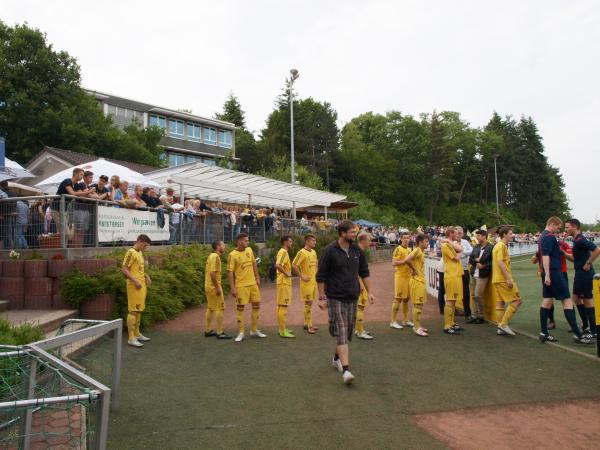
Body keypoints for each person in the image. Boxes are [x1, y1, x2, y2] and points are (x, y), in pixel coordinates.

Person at [316, 220, 373, 385]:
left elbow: (364, 272)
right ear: (342, 233)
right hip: (334, 297)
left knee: (347, 331)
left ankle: (336, 358)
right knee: (341, 330)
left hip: (352, 296)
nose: (354, 235)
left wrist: (371, 292)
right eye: (352, 232)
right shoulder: (329, 251)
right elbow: (321, 276)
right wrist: (321, 297)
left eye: (355, 232)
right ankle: (346, 370)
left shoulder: (357, 251)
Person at [538, 217, 591, 344]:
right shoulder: (549, 237)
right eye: (558, 227)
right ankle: (579, 335)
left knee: (547, 301)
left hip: (549, 272)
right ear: (552, 224)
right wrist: (548, 275)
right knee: (567, 301)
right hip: (554, 272)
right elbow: (545, 256)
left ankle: (544, 333)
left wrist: (545, 274)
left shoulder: (542, 236)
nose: (558, 230)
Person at [227, 233, 266, 342]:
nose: (247, 242)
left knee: (257, 305)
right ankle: (241, 332)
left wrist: (257, 277)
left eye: (247, 240)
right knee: (240, 308)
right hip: (241, 285)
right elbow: (230, 272)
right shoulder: (232, 255)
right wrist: (232, 287)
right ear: (239, 241)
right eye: (245, 240)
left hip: (253, 284)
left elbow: (254, 264)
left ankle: (254, 330)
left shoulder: (249, 250)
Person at [566, 218, 600, 339]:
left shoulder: (580, 239)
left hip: (585, 274)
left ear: (574, 226)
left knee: (587, 301)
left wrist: (589, 262)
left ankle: (594, 331)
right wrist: (564, 254)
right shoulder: (576, 239)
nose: (566, 229)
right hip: (579, 274)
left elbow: (597, 249)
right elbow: (577, 259)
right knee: (576, 298)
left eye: (567, 227)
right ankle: (586, 325)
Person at [122, 234, 152, 347]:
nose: (145, 248)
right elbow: (124, 269)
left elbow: (137, 269)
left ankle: (137, 334)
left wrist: (145, 275)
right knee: (133, 311)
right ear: (139, 241)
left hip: (141, 285)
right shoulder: (131, 252)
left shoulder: (140, 253)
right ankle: (131, 338)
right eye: (144, 245)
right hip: (134, 286)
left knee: (138, 310)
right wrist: (135, 281)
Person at [492, 226, 523, 336]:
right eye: (510, 233)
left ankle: (500, 327)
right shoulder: (501, 246)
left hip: (497, 278)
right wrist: (508, 278)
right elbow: (500, 262)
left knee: (500, 303)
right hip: (502, 279)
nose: (512, 235)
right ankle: (503, 324)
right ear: (504, 234)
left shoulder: (498, 245)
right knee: (518, 300)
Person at [402, 233, 429, 336]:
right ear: (420, 242)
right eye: (426, 241)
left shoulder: (421, 251)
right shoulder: (417, 250)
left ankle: (417, 325)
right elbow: (406, 259)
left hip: (420, 280)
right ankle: (416, 327)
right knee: (417, 305)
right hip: (417, 281)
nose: (427, 243)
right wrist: (413, 270)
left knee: (420, 305)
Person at [204, 240, 231, 339]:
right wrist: (217, 287)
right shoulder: (215, 257)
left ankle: (207, 330)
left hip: (207, 286)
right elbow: (212, 273)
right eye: (223, 245)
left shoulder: (211, 256)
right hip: (213, 287)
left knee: (210, 308)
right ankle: (219, 332)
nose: (224, 247)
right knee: (220, 308)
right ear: (218, 246)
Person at [292, 234, 319, 334]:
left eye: (315, 240)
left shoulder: (314, 252)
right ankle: (309, 326)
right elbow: (294, 265)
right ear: (307, 241)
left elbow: (315, 264)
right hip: (306, 283)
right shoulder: (301, 252)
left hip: (313, 282)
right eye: (313, 240)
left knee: (310, 303)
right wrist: (301, 275)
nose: (314, 242)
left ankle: (306, 323)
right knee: (308, 303)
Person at [441, 226, 464, 334]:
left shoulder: (450, 243)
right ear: (450, 233)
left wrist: (458, 249)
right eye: (456, 233)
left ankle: (452, 322)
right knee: (450, 300)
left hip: (456, 274)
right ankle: (447, 326)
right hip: (451, 275)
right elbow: (457, 257)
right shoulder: (446, 245)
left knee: (453, 300)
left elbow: (459, 248)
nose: (458, 235)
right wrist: (460, 252)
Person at [468, 229, 493, 324]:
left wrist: (484, 266)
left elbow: (493, 262)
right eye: (476, 236)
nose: (476, 238)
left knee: (478, 295)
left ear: (484, 236)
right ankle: (474, 315)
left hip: (483, 275)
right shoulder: (476, 247)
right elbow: (470, 259)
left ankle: (481, 315)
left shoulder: (491, 247)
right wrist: (476, 261)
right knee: (473, 295)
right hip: (473, 273)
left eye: (478, 236)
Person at [390, 232, 413, 329]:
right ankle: (393, 321)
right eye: (404, 238)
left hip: (408, 277)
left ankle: (405, 320)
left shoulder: (409, 249)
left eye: (408, 238)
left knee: (406, 299)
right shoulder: (398, 249)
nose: (406, 239)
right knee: (398, 299)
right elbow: (394, 263)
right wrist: (404, 261)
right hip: (400, 277)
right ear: (401, 239)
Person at [355, 232, 375, 340]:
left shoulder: (358, 251)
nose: (370, 242)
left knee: (359, 306)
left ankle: (358, 328)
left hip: (357, 281)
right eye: (369, 240)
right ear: (362, 241)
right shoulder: (358, 252)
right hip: (358, 282)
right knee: (360, 306)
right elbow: (353, 269)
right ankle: (360, 331)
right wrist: (358, 283)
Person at [275, 235, 295, 338]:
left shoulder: (283, 252)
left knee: (281, 306)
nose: (291, 243)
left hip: (283, 282)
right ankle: (282, 331)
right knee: (283, 306)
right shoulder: (283, 252)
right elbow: (278, 265)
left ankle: (281, 328)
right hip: (284, 282)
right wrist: (287, 273)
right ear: (285, 242)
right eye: (290, 241)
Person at [456, 227, 473, 321]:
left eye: (460, 233)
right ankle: (452, 313)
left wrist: (462, 252)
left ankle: (468, 313)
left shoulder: (465, 242)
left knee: (466, 292)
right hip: (454, 271)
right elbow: (454, 256)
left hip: (465, 269)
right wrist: (463, 253)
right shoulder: (452, 242)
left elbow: (471, 251)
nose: (459, 234)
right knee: (453, 292)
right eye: (457, 233)